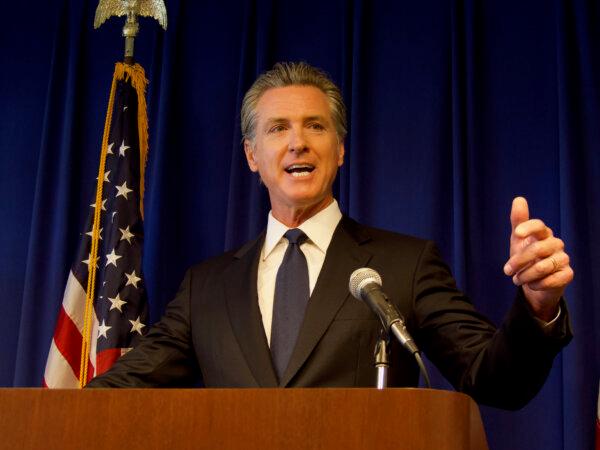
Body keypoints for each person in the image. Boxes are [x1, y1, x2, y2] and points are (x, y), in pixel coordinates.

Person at [87, 62, 573, 410]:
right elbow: (119, 393)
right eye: (278, 128)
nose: (298, 141)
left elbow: (495, 381)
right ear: (252, 156)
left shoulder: (405, 264)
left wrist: (537, 306)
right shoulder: (205, 288)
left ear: (339, 150)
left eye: (314, 126)